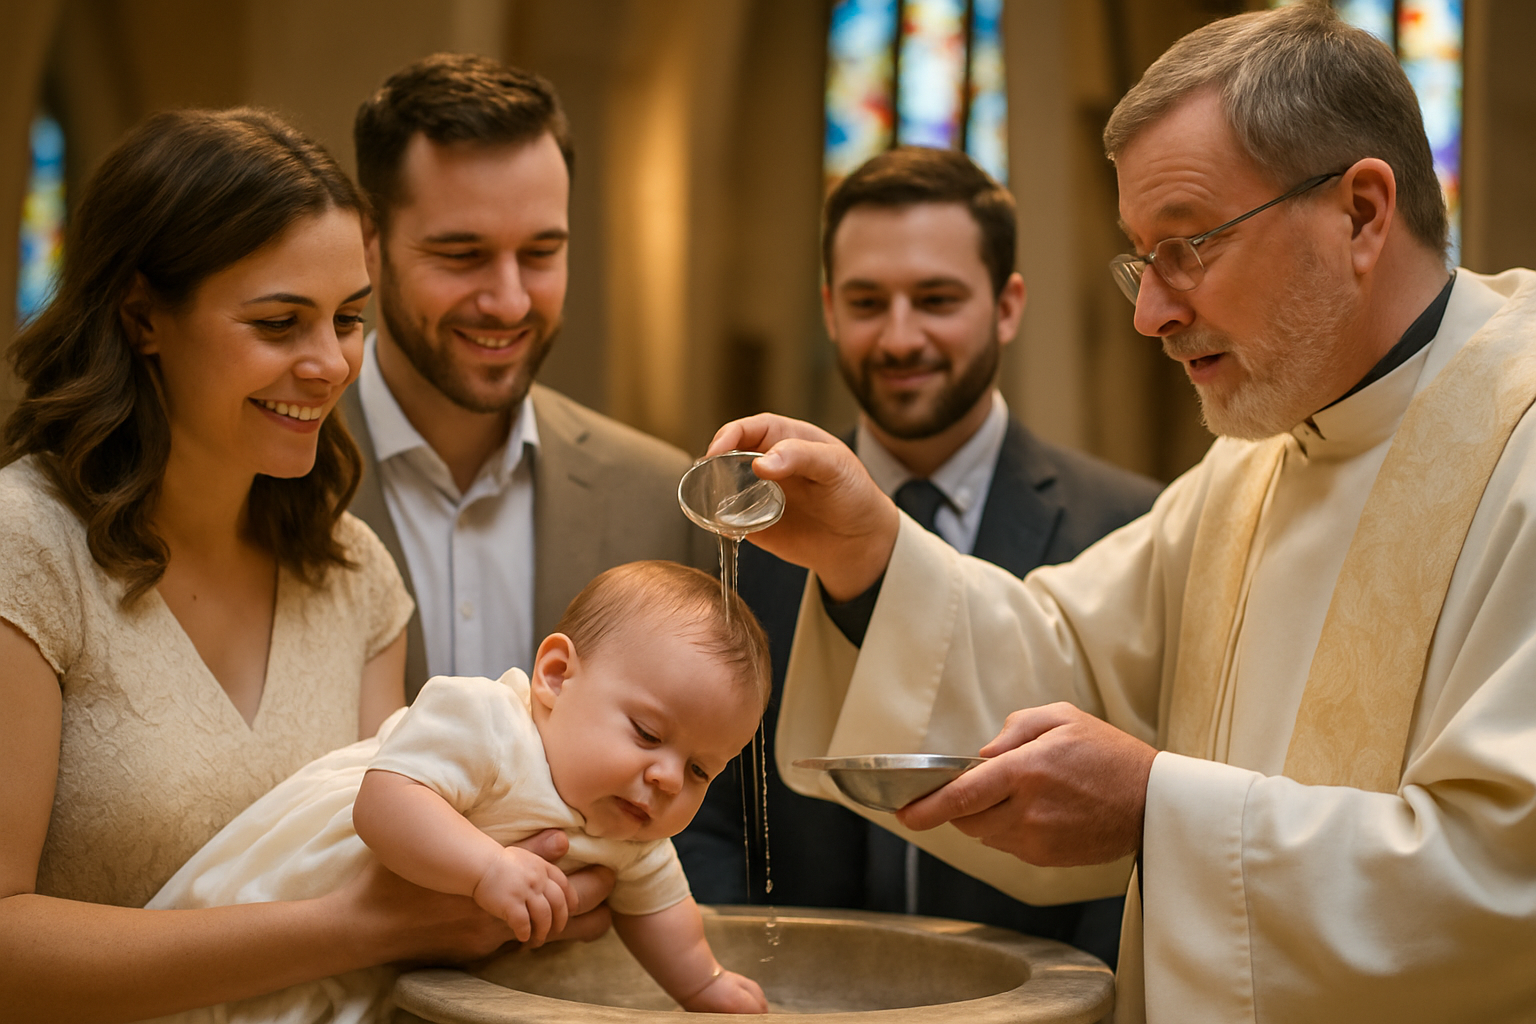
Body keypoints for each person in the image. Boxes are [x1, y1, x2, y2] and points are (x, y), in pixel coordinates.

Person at [706, 5, 1536, 1023]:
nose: (1151, 312)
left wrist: (1156, 809)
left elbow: (1506, 883)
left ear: (1362, 212)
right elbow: (1066, 662)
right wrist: (866, 549)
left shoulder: (1519, 444)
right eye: (1143, 260)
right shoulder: (1258, 463)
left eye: (1188, 246)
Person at [0, 108, 610, 1023]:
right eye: (280, 321)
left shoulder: (355, 576)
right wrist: (364, 926)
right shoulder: (27, 549)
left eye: (349, 319)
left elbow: (404, 870)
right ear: (142, 317)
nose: (329, 365)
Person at [677, 146, 1159, 968]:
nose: (900, 337)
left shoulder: (1127, 525)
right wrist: (739, 976)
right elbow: (703, 797)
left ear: (1007, 306)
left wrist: (1071, 1000)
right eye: (868, 301)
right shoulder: (748, 524)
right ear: (829, 309)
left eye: (936, 299)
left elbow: (1129, 838)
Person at [147, 561, 772, 1022]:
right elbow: (385, 803)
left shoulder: (634, 829)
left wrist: (703, 985)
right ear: (556, 677)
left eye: (700, 771)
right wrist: (485, 867)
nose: (667, 778)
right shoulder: (489, 724)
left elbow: (664, 915)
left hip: (365, 975)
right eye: (647, 732)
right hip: (283, 901)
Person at [343, 53, 713, 699]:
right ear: (369, 242)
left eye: (541, 253)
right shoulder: (268, 472)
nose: (510, 301)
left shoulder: (654, 502)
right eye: (463, 255)